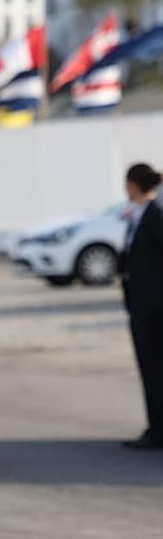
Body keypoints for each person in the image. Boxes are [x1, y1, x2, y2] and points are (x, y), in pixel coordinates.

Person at [119, 162, 163, 450]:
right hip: (141, 306)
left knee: (155, 369)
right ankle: (155, 426)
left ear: (133, 185)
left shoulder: (155, 215)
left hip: (154, 309)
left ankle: (158, 432)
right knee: (150, 369)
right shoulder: (139, 214)